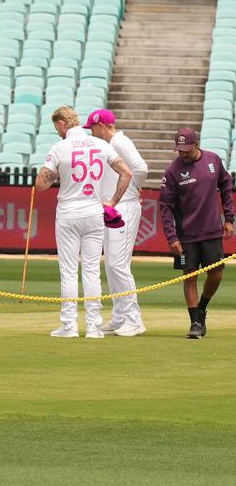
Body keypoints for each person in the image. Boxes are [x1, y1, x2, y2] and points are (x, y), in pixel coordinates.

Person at [36, 106, 133, 339]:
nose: (58, 132)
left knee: (69, 271)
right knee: (91, 270)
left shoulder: (60, 147)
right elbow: (127, 173)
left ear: (62, 123)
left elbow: (41, 184)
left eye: (57, 127)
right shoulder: (100, 145)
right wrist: (112, 202)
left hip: (69, 213)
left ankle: (69, 326)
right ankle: (93, 327)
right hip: (94, 212)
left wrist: (57, 171)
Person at [158, 127, 235, 339]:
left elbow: (226, 185)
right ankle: (195, 323)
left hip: (212, 231)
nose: (182, 153)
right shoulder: (172, 171)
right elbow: (165, 207)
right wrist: (172, 237)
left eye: (186, 149)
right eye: (179, 149)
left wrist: (229, 218)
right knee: (190, 276)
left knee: (216, 274)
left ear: (197, 144)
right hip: (186, 236)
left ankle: (202, 308)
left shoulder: (213, 160)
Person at [84, 109, 149, 337]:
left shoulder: (120, 141)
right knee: (112, 264)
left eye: (92, 127)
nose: (91, 132)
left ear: (101, 125)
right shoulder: (110, 144)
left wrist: (132, 190)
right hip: (115, 207)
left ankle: (134, 319)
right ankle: (121, 316)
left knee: (118, 264)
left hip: (125, 206)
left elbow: (141, 168)